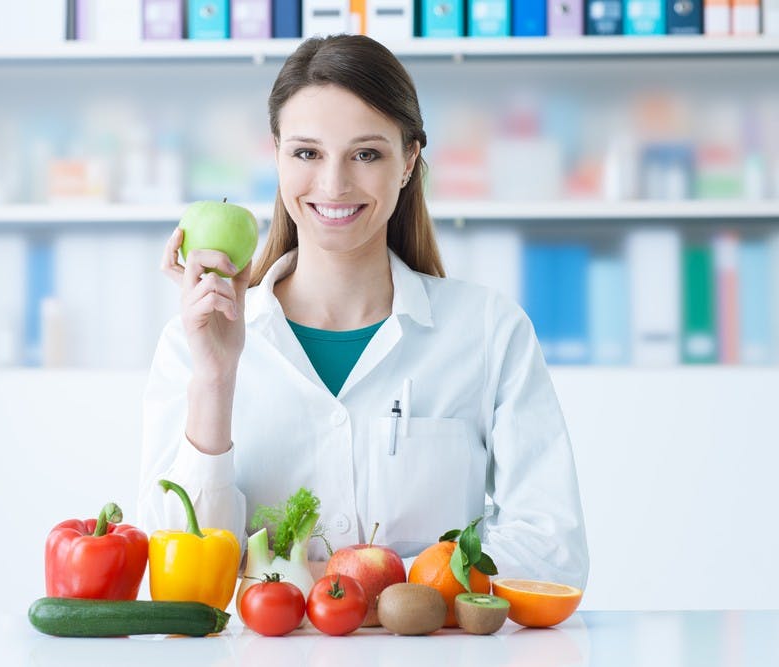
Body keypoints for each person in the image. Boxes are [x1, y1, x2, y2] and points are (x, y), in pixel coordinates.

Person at [138, 34, 588, 589]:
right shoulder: (192, 343)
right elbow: (179, 578)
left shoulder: (489, 331)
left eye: (366, 153)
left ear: (408, 161)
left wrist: (360, 589)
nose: (333, 184)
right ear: (277, 154)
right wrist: (215, 379)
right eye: (306, 153)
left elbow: (552, 552)